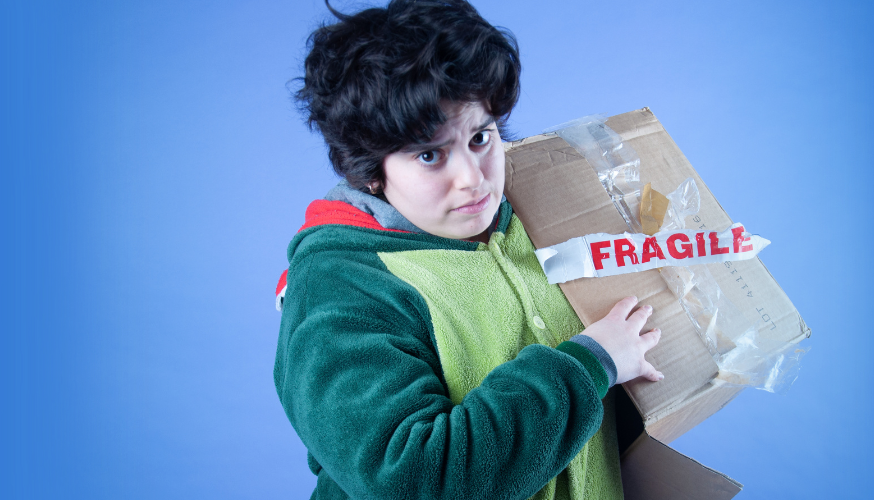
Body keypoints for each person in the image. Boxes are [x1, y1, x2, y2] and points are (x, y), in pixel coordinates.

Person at [274, 2, 664, 499]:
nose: (473, 179)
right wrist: (591, 364)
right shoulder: (339, 291)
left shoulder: (530, 217)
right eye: (430, 154)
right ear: (371, 170)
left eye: (480, 137)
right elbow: (417, 479)